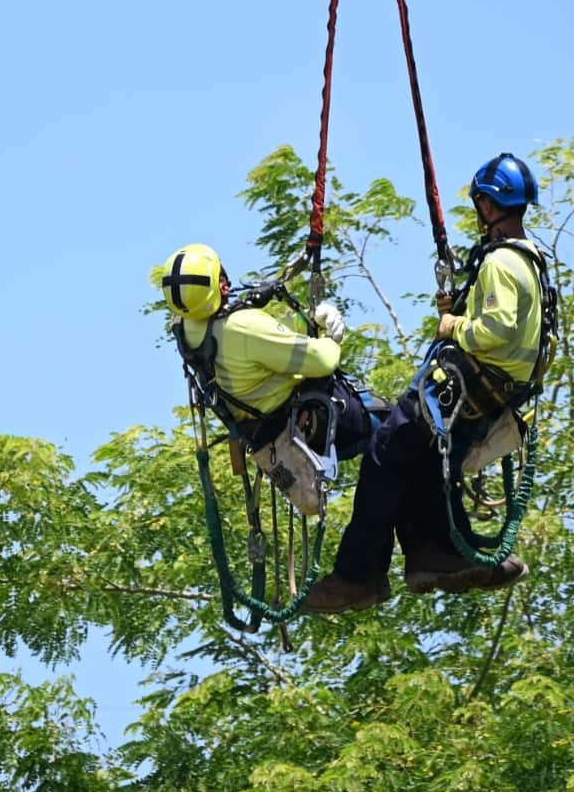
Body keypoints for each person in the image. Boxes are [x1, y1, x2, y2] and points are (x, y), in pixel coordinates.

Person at [303, 153, 547, 614]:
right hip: (491, 396)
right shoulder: (531, 261)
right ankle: (435, 554)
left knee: (383, 454)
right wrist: (461, 309)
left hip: (463, 387)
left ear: (489, 205)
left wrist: (452, 325)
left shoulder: (500, 263)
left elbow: (494, 330)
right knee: (425, 464)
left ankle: (357, 576)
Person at [159, 242, 382, 524]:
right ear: (221, 286)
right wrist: (331, 334)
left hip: (266, 434)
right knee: (399, 429)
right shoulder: (242, 327)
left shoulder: (187, 329)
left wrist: (305, 320)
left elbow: (269, 340)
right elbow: (323, 360)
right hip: (313, 423)